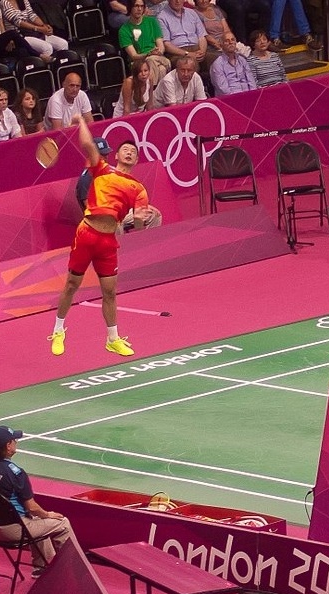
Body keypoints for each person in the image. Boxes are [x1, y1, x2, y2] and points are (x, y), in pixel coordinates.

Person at [50, 115, 154, 356]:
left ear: (137, 160)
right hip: (87, 233)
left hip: (108, 242)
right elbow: (87, 145)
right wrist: (81, 122)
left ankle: (113, 338)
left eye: (133, 152)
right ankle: (58, 330)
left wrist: (141, 222)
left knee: (109, 292)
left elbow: (138, 222)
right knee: (72, 284)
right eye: (125, 150)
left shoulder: (138, 189)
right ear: (116, 156)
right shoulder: (101, 170)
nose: (129, 153)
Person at [0, 425, 77, 577]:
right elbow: (31, 507)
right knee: (62, 523)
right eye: (14, 440)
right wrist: (48, 514)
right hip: (12, 531)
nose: (16, 442)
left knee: (36, 521)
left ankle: (41, 567)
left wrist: (40, 516)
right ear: (8, 445)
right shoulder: (15, 472)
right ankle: (74, 568)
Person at [118, 1, 171, 84]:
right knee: (161, 69)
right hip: (138, 62)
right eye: (136, 6)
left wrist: (158, 52)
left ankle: (148, 93)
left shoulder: (152, 21)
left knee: (151, 61)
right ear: (130, 8)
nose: (139, 9)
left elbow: (161, 47)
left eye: (142, 6)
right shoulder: (124, 30)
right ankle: (154, 92)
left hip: (159, 57)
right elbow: (134, 56)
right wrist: (148, 54)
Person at [0, 0, 70, 58]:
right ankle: (44, 70)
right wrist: (38, 29)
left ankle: (60, 67)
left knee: (63, 44)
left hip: (33, 32)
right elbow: (17, 22)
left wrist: (44, 26)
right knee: (47, 48)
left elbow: (32, 15)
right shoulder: (4, 3)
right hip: (19, 36)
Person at [157, 0, 212, 72]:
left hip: (197, 48)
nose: (177, 1)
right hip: (177, 52)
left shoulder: (192, 13)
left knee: (216, 59)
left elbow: (202, 36)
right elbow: (167, 45)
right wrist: (187, 54)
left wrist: (202, 51)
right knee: (190, 63)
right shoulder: (161, 17)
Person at [209, 32, 257, 96]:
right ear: (221, 45)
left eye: (232, 40)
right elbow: (223, 89)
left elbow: (251, 82)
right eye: (227, 41)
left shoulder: (242, 60)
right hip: (230, 99)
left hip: (249, 96)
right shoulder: (217, 64)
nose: (230, 42)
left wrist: (253, 95)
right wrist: (238, 98)